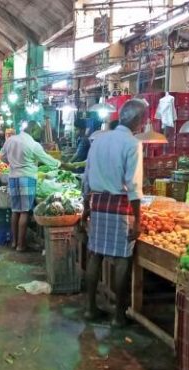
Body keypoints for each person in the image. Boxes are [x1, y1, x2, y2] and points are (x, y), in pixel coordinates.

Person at [82, 99, 147, 326]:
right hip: (120, 206)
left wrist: (85, 208)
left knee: (95, 255)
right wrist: (138, 220)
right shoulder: (132, 143)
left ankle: (91, 309)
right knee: (122, 259)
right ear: (141, 120)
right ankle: (118, 316)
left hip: (98, 203)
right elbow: (134, 185)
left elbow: (86, 176)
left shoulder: (98, 140)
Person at [1, 123, 61, 251]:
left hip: (13, 177)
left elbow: (3, 157)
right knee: (24, 212)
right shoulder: (33, 145)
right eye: (38, 132)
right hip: (27, 178)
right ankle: (21, 245)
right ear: (32, 129)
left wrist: (13, 164)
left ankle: (14, 242)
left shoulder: (11, 140)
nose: (39, 135)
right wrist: (60, 164)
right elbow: (47, 159)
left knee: (15, 210)